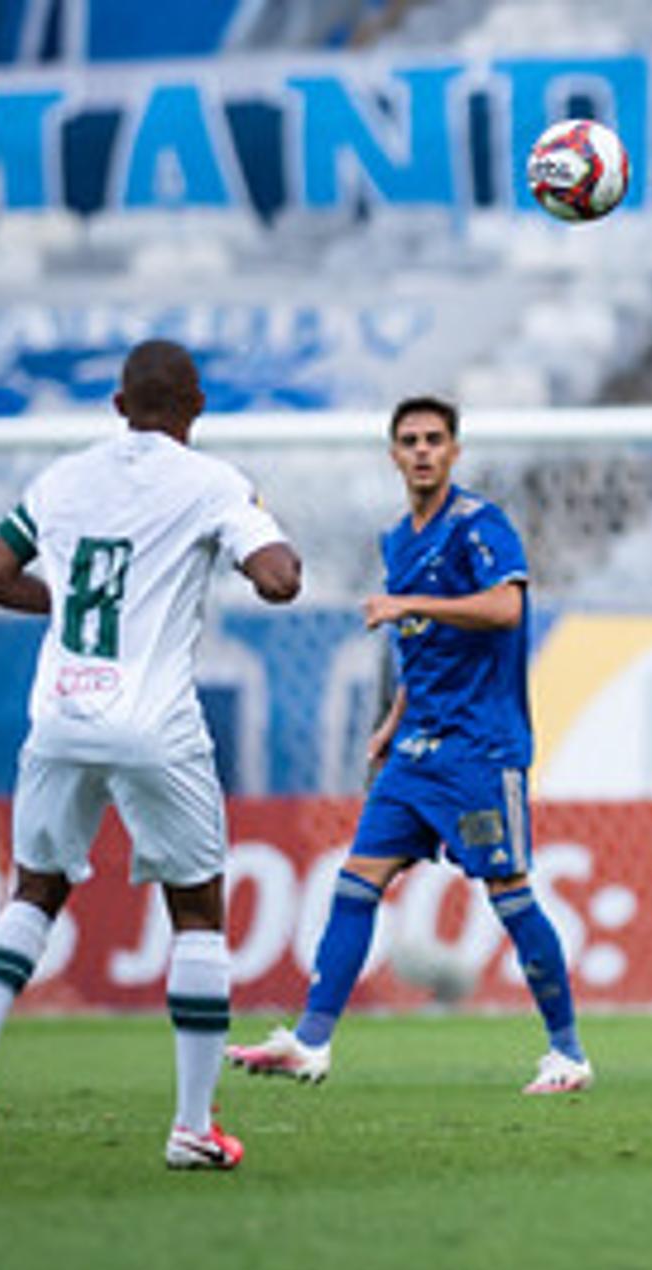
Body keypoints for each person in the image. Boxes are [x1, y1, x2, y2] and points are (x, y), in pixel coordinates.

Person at [0, 340, 303, 1171]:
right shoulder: (212, 483)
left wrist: (69, 606)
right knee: (198, 912)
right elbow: (279, 580)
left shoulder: (63, 479)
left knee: (34, 891)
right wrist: (264, 529)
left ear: (116, 404)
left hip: (60, 712)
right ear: (197, 406)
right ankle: (192, 1128)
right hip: (153, 722)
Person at [226, 396, 590, 1095]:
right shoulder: (397, 539)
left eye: (433, 439)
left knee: (509, 894)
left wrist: (409, 605)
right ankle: (311, 1041)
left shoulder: (479, 525)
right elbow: (422, 648)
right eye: (409, 441)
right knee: (356, 882)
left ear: (454, 450)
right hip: (417, 749)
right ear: (393, 455)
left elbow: (506, 609)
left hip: (481, 750)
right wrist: (395, 719)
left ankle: (568, 1053)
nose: (422, 450)